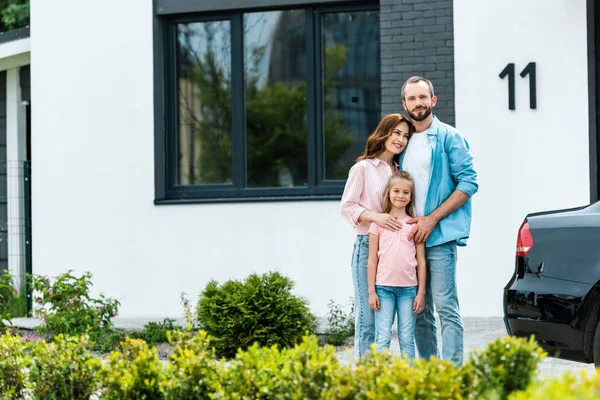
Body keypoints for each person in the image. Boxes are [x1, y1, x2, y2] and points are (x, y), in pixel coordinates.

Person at [399, 76, 479, 365]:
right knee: (418, 310)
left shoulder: (449, 137)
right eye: (412, 98)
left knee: (446, 307)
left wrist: (431, 219)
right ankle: (433, 374)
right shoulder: (403, 141)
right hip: (410, 240)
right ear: (404, 104)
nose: (418, 103)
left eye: (423, 97)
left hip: (440, 237)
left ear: (433, 100)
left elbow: (469, 183)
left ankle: (452, 374)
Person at [341, 113, 415, 358]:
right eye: (396, 133)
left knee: (389, 325)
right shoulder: (362, 168)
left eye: (405, 136)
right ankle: (365, 378)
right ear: (384, 132)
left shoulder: (399, 170)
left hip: (395, 252)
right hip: (367, 248)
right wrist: (376, 217)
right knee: (367, 318)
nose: (401, 140)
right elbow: (347, 207)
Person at [367, 171, 426, 359]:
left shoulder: (414, 225)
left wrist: (421, 293)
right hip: (383, 289)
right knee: (382, 337)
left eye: (406, 192)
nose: (401, 195)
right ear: (388, 193)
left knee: (407, 337)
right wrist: (371, 292)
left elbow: (422, 261)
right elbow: (372, 259)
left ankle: (408, 380)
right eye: (396, 191)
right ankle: (379, 377)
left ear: (411, 197)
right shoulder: (378, 223)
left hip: (409, 290)